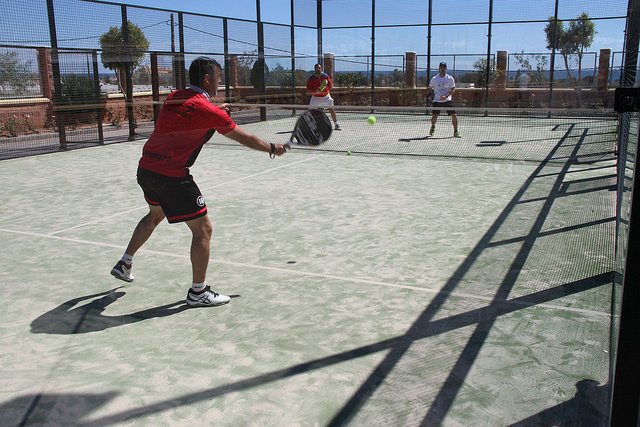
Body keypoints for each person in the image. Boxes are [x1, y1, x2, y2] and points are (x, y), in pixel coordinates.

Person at [110, 57, 288, 307]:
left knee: (154, 216)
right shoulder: (209, 111)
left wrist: (216, 110)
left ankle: (125, 262)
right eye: (218, 78)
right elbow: (244, 138)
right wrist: (272, 147)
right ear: (207, 79)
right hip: (171, 176)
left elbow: (192, 114)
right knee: (203, 229)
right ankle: (198, 292)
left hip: (146, 169)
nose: (219, 81)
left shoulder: (174, 98)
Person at [428, 62, 460, 138]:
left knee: (454, 115)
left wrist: (446, 96)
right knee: (434, 116)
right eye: (441, 67)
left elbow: (453, 89)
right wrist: (430, 95)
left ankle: (456, 131)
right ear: (439, 68)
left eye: (444, 68)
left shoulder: (450, 78)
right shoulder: (434, 79)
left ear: (446, 69)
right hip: (437, 100)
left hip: (447, 100)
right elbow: (429, 88)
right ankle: (433, 126)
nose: (442, 69)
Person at [307, 63, 341, 130]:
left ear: (321, 68)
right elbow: (308, 88)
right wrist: (314, 92)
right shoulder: (312, 78)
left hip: (326, 97)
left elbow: (330, 85)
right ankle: (308, 125)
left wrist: (324, 91)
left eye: (319, 68)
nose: (318, 69)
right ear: (314, 69)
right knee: (310, 111)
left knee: (332, 109)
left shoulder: (325, 76)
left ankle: (336, 124)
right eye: (316, 68)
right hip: (315, 98)